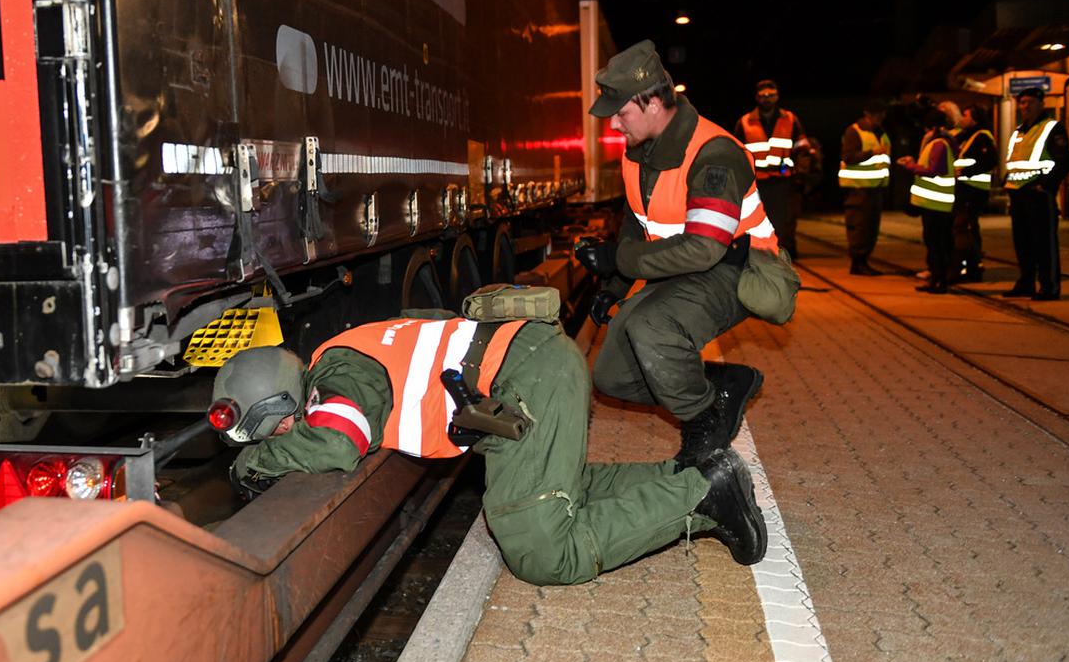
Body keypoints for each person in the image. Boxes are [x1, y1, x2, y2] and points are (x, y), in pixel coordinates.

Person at [209, 310, 769, 587]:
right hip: (525, 367)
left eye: (277, 431)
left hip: (525, 377)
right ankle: (684, 470)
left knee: (540, 551)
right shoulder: (339, 360)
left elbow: (336, 442)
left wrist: (252, 462)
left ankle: (703, 496)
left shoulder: (342, 372)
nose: (285, 440)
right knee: (552, 492)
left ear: (286, 403)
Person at [575, 39, 780, 471]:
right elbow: (639, 222)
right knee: (611, 376)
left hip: (739, 269)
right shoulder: (639, 151)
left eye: (620, 111)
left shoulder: (714, 154)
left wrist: (618, 261)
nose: (613, 123)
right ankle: (720, 384)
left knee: (653, 327)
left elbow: (705, 247)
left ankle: (704, 426)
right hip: (684, 269)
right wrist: (614, 286)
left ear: (652, 102)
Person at [1003, 88, 1069, 300]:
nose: (1026, 106)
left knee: (1044, 243)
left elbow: (1065, 161)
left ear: (1041, 104)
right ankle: (1026, 283)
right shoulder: (1018, 131)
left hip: (1038, 194)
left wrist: (1046, 186)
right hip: (1018, 194)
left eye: (1030, 102)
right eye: (1022, 102)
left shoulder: (1052, 127)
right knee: (1022, 242)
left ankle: (1049, 287)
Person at [734, 79, 807, 257]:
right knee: (756, 220)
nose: (767, 99)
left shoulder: (790, 119)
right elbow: (736, 152)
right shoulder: (744, 122)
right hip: (755, 183)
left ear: (777, 97)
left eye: (771, 95)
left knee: (782, 221)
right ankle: (759, 254)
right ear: (757, 98)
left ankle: (778, 255)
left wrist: (802, 171)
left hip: (783, 180)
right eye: (763, 96)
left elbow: (802, 147)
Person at [898, 108, 959, 294]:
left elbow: (934, 170)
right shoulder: (943, 143)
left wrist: (911, 166)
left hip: (935, 204)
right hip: (935, 203)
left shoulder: (938, 144)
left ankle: (938, 280)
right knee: (937, 243)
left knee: (936, 244)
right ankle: (937, 279)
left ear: (930, 127)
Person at [838, 101, 893, 275]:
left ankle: (864, 260)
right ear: (867, 115)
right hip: (858, 188)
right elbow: (848, 157)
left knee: (871, 227)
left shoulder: (881, 132)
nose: (880, 118)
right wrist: (871, 153)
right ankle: (858, 261)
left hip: (876, 187)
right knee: (859, 226)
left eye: (882, 115)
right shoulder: (854, 131)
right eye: (877, 115)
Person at [951, 104, 997, 281]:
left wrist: (965, 172)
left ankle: (973, 266)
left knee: (966, 228)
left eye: (965, 114)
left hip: (974, 190)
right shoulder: (966, 136)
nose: (962, 118)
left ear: (974, 119)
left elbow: (990, 161)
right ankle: (969, 265)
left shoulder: (982, 136)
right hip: (964, 188)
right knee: (965, 228)